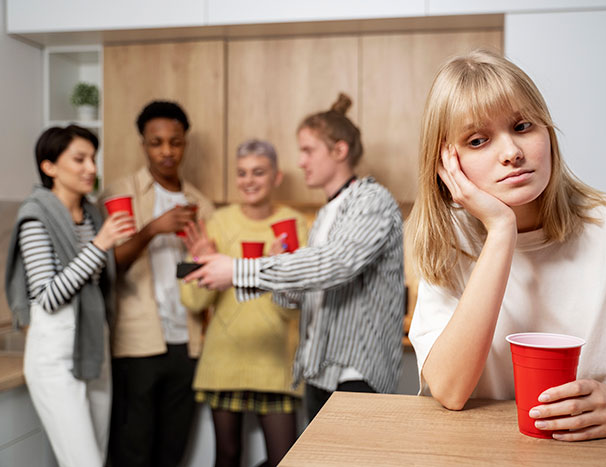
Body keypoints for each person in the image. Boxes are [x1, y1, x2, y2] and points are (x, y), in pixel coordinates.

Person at [405, 49, 606, 441]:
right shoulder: (449, 246)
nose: (511, 153)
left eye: (524, 126)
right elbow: (451, 390)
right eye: (478, 140)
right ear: (446, 164)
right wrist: (501, 230)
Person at [184, 94, 406, 422]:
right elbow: (303, 297)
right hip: (320, 370)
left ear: (339, 150)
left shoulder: (370, 200)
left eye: (307, 151)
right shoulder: (326, 214)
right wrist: (285, 279)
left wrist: (239, 270)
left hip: (357, 372)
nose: (300, 161)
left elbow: (336, 264)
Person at [5, 125, 134, 466]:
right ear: (49, 167)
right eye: (79, 159)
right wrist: (100, 245)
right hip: (55, 357)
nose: (91, 168)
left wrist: (106, 243)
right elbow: (48, 295)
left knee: (97, 458)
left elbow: (95, 280)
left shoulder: (93, 216)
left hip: (94, 347)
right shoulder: (35, 218)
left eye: (93, 158)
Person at [179, 139, 308, 467]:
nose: (249, 180)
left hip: (276, 361)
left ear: (276, 176)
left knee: (285, 459)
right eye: (242, 173)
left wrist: (279, 272)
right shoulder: (219, 222)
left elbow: (297, 304)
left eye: (258, 172)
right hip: (225, 360)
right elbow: (193, 301)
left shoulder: (295, 224)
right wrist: (202, 261)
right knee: (227, 456)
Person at [100, 100, 215, 466]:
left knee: (172, 450)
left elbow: (209, 279)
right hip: (136, 343)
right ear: (143, 144)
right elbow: (107, 267)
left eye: (175, 142)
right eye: (156, 142)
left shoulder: (201, 204)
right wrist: (153, 229)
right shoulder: (121, 194)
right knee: (132, 450)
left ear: (186, 143)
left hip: (188, 342)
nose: (167, 151)